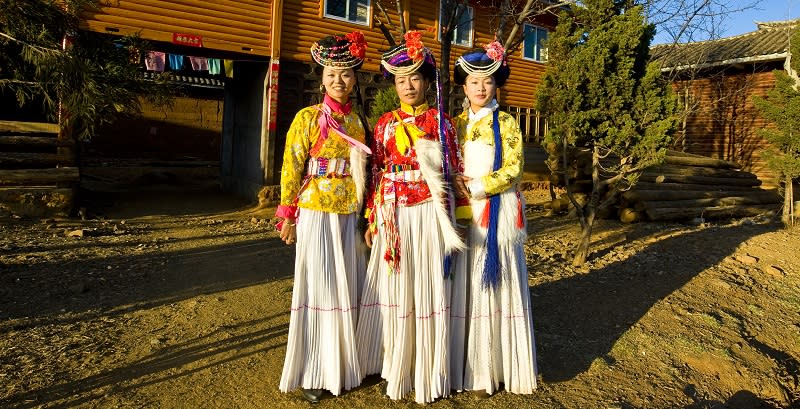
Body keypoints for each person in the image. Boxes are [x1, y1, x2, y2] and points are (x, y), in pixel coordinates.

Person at [355, 30, 470, 404]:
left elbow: (454, 173)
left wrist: (459, 217)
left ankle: (429, 368)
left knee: (428, 286)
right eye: (401, 80)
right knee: (396, 288)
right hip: (392, 213)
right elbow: (375, 173)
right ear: (394, 84)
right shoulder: (384, 124)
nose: (408, 85)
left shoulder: (442, 123)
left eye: (414, 78)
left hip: (428, 212)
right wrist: (372, 218)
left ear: (425, 82)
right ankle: (394, 364)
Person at [277, 31, 371, 403]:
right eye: (332, 73)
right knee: (319, 286)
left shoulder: (359, 123)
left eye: (346, 73)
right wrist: (287, 214)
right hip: (315, 210)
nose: (339, 80)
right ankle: (316, 369)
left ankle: (348, 363)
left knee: (348, 285)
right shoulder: (307, 118)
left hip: (349, 213)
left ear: (355, 78)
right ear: (322, 77)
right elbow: (291, 166)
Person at [451, 42, 539, 396]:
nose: (481, 87)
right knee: (463, 287)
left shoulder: (507, 123)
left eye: (487, 81)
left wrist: (477, 187)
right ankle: (460, 364)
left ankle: (491, 369)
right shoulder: (454, 124)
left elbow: (514, 169)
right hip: (461, 212)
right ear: (464, 86)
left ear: (496, 85)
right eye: (474, 81)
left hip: (495, 210)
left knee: (493, 287)